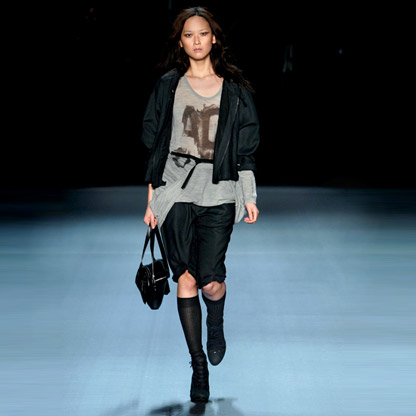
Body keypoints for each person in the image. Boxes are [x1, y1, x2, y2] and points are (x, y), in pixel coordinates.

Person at [141, 6, 260, 403]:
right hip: (175, 191)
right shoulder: (168, 87)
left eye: (202, 33)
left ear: (214, 38)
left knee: (210, 280)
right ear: (180, 42)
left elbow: (245, 150)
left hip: (219, 191)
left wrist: (249, 196)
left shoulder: (234, 90)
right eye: (189, 34)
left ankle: (216, 321)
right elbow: (155, 145)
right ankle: (198, 366)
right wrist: (152, 200)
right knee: (186, 279)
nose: (196, 40)